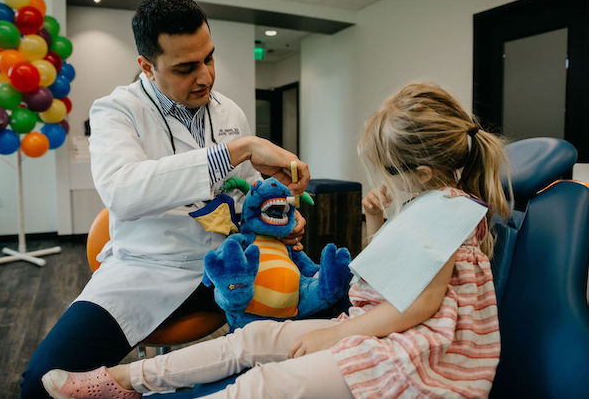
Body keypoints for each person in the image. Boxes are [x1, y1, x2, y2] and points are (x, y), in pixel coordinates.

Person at [41, 82, 512, 398]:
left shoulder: (447, 210)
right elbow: (394, 273)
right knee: (256, 337)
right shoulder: (431, 203)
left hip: (411, 353)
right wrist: (375, 222)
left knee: (263, 383)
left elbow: (419, 306)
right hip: (385, 328)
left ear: (423, 173)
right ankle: (121, 380)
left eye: (387, 170)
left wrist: (337, 332)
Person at [21, 0, 310, 398]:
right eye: (186, 67)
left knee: (307, 329)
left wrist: (281, 212)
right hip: (146, 270)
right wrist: (237, 150)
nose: (205, 77)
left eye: (209, 58)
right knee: (40, 384)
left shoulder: (230, 113)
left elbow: (247, 194)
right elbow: (123, 190)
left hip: (225, 263)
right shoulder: (116, 111)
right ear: (146, 65)